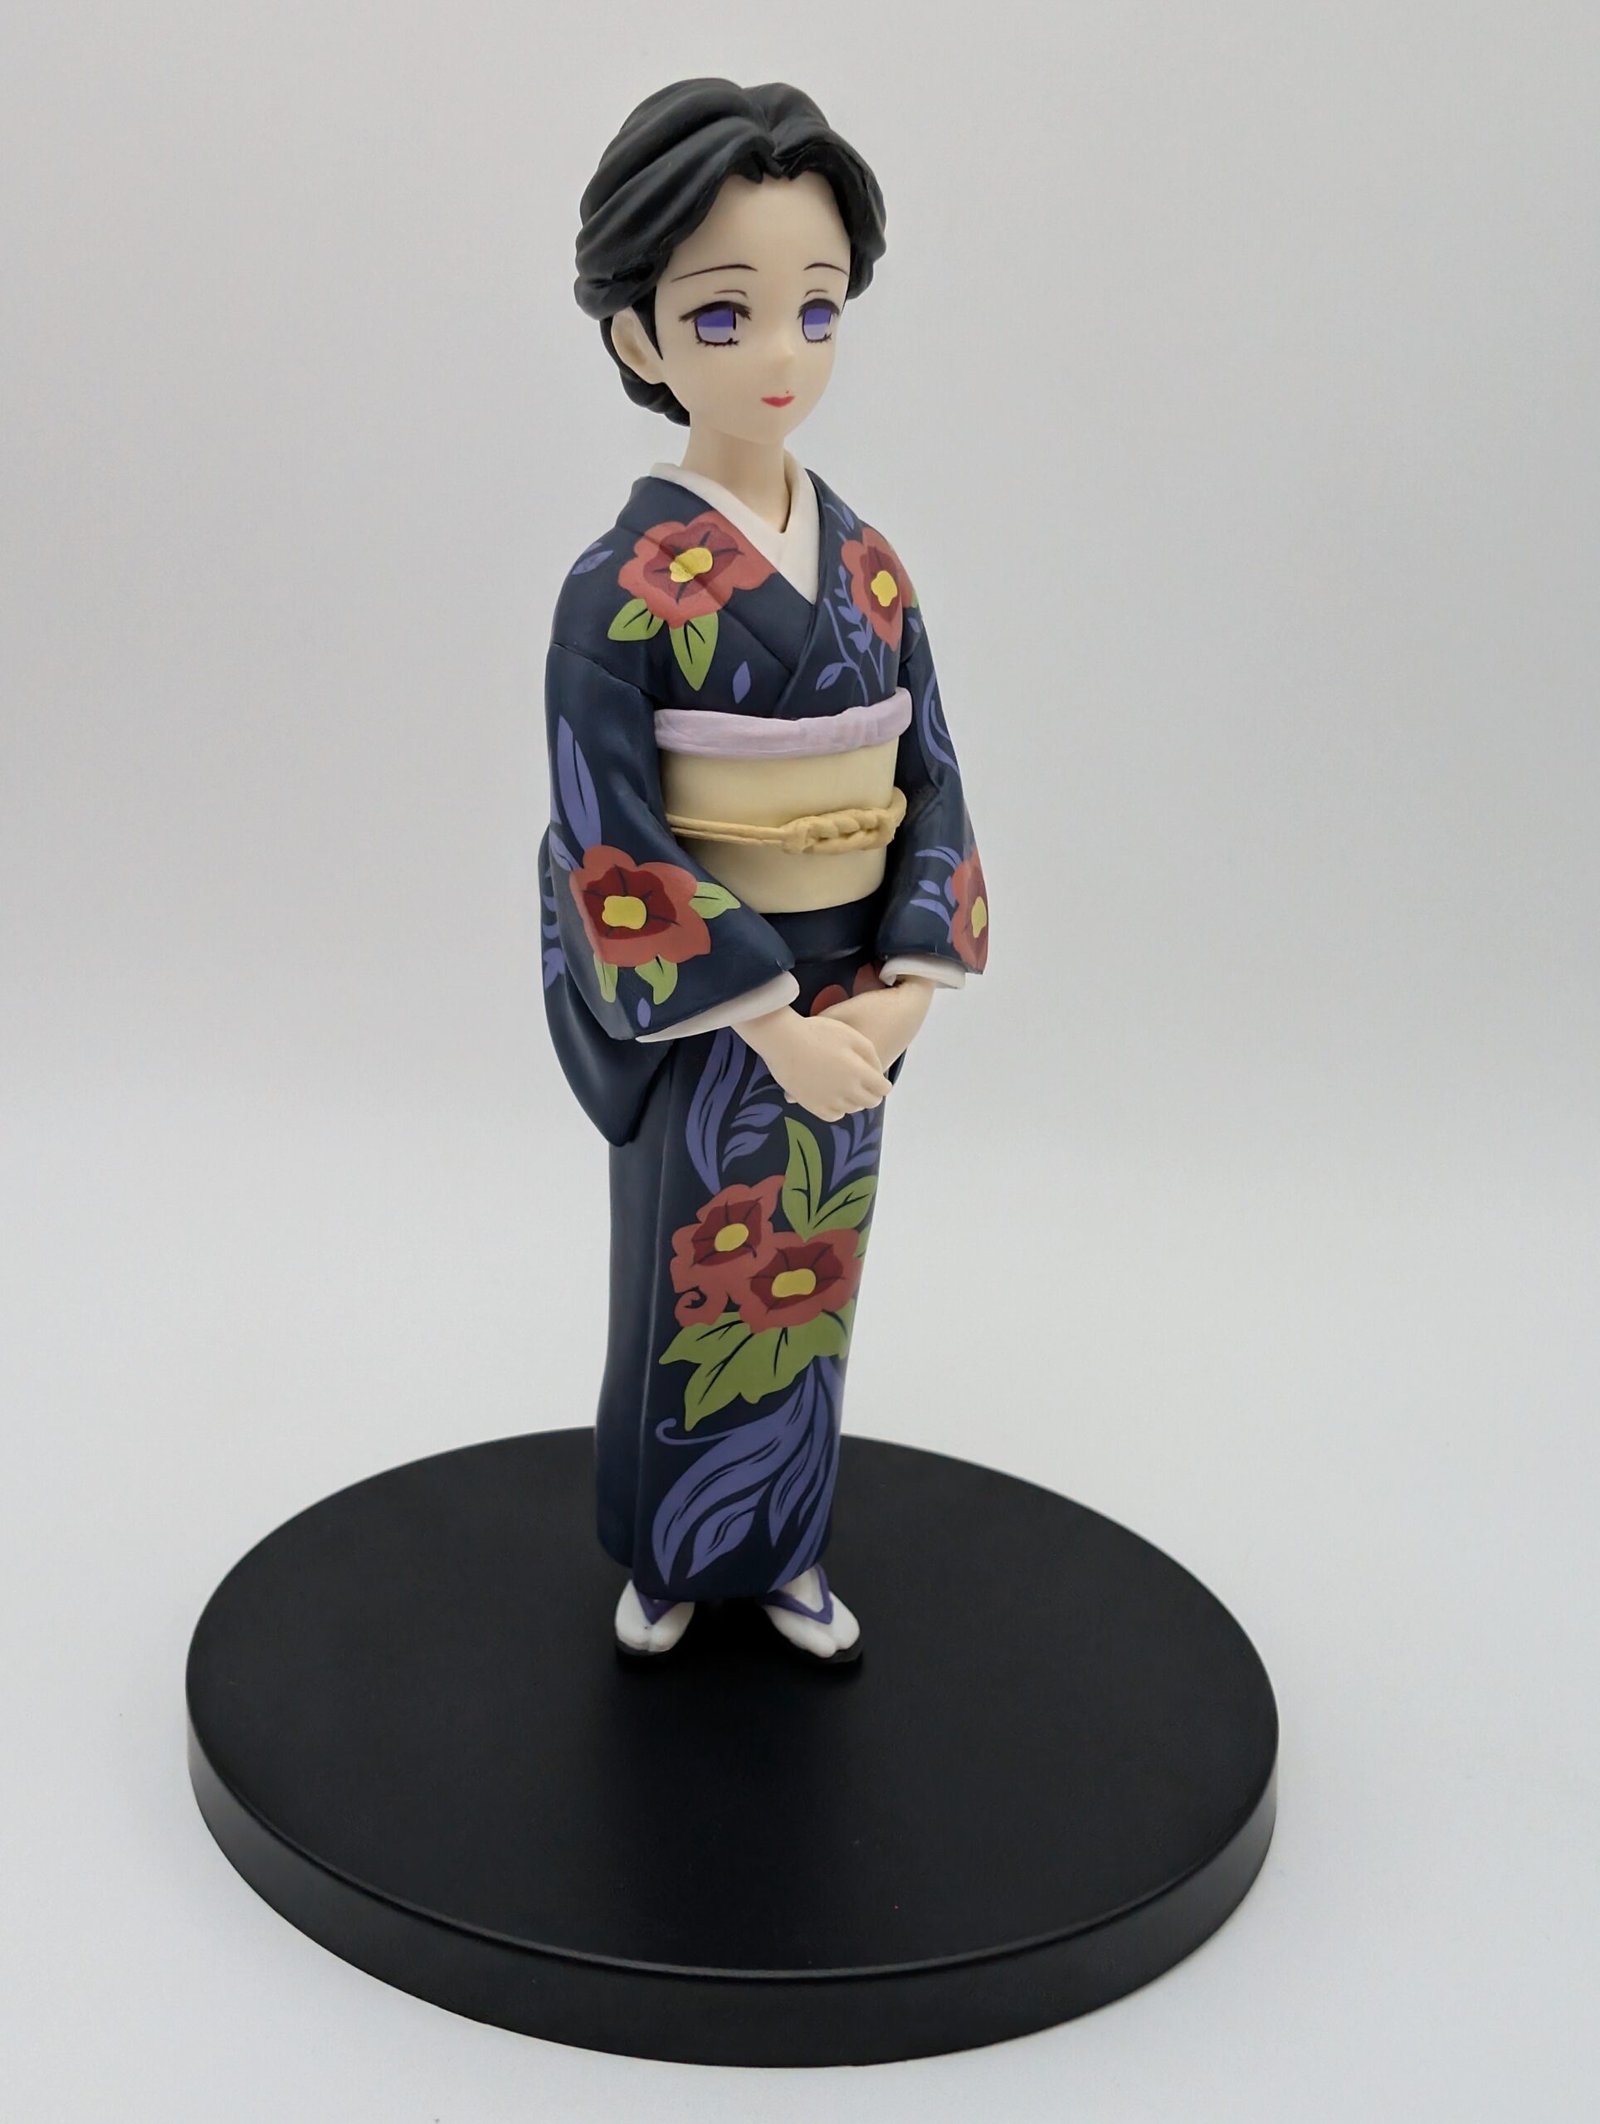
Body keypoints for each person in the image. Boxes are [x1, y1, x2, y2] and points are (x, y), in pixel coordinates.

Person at [539, 79, 989, 1664]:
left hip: (852, 1003)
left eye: (818, 307)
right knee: (693, 1272)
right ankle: (669, 1558)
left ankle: (788, 1545)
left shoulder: (870, 569)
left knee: (815, 1273)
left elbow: (930, 774)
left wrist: (906, 988)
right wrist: (768, 1020)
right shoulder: (620, 589)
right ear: (639, 338)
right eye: (722, 316)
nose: (781, 355)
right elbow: (608, 835)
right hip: (721, 1015)